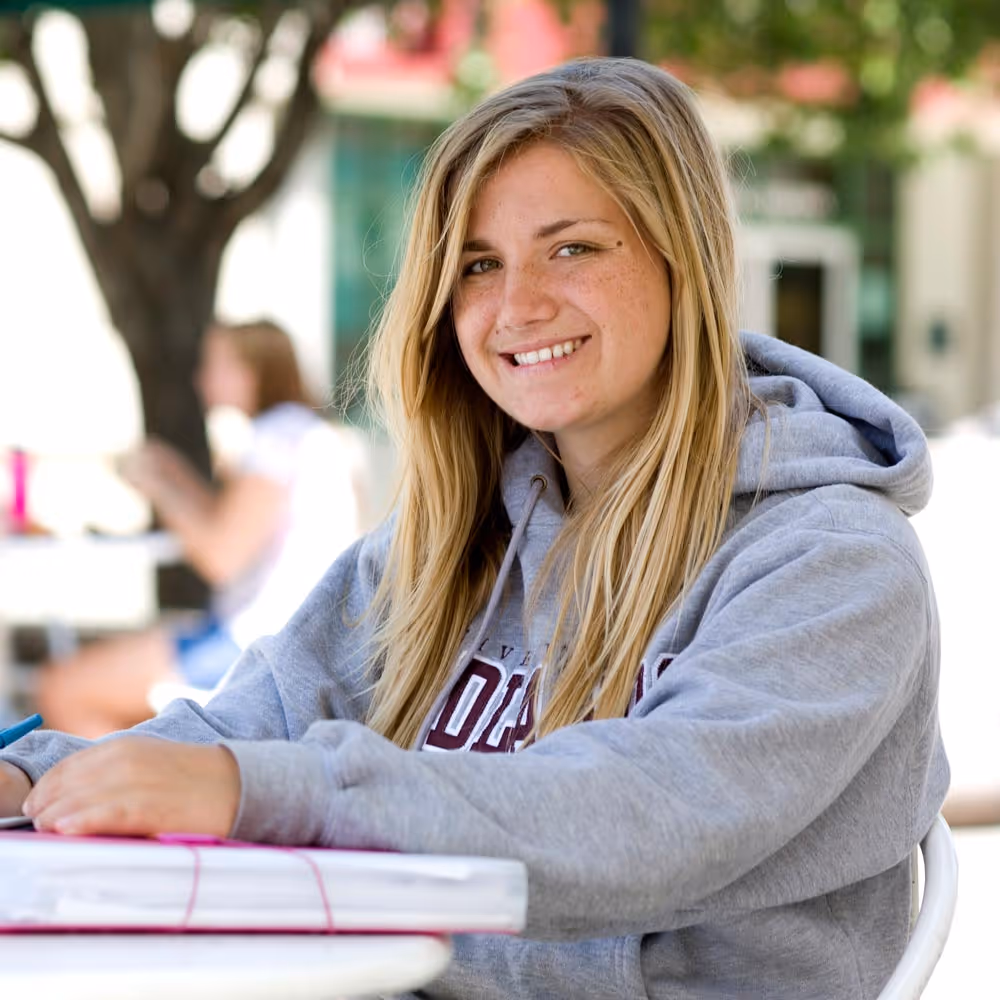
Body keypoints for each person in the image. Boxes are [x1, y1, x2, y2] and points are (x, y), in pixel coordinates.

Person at [0, 58, 947, 998]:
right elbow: (252, 722)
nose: (518, 305)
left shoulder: (833, 558)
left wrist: (264, 792)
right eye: (478, 266)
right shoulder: (455, 538)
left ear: (682, 257)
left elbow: (652, 813)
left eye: (573, 248)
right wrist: (34, 778)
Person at [34, 318, 367, 737]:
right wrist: (174, 474)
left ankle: (130, 777)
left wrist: (158, 487)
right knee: (125, 706)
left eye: (214, 364)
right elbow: (228, 521)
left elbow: (221, 556)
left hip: (255, 647)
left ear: (250, 372)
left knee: (61, 689)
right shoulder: (301, 431)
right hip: (287, 640)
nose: (201, 378)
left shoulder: (278, 438)